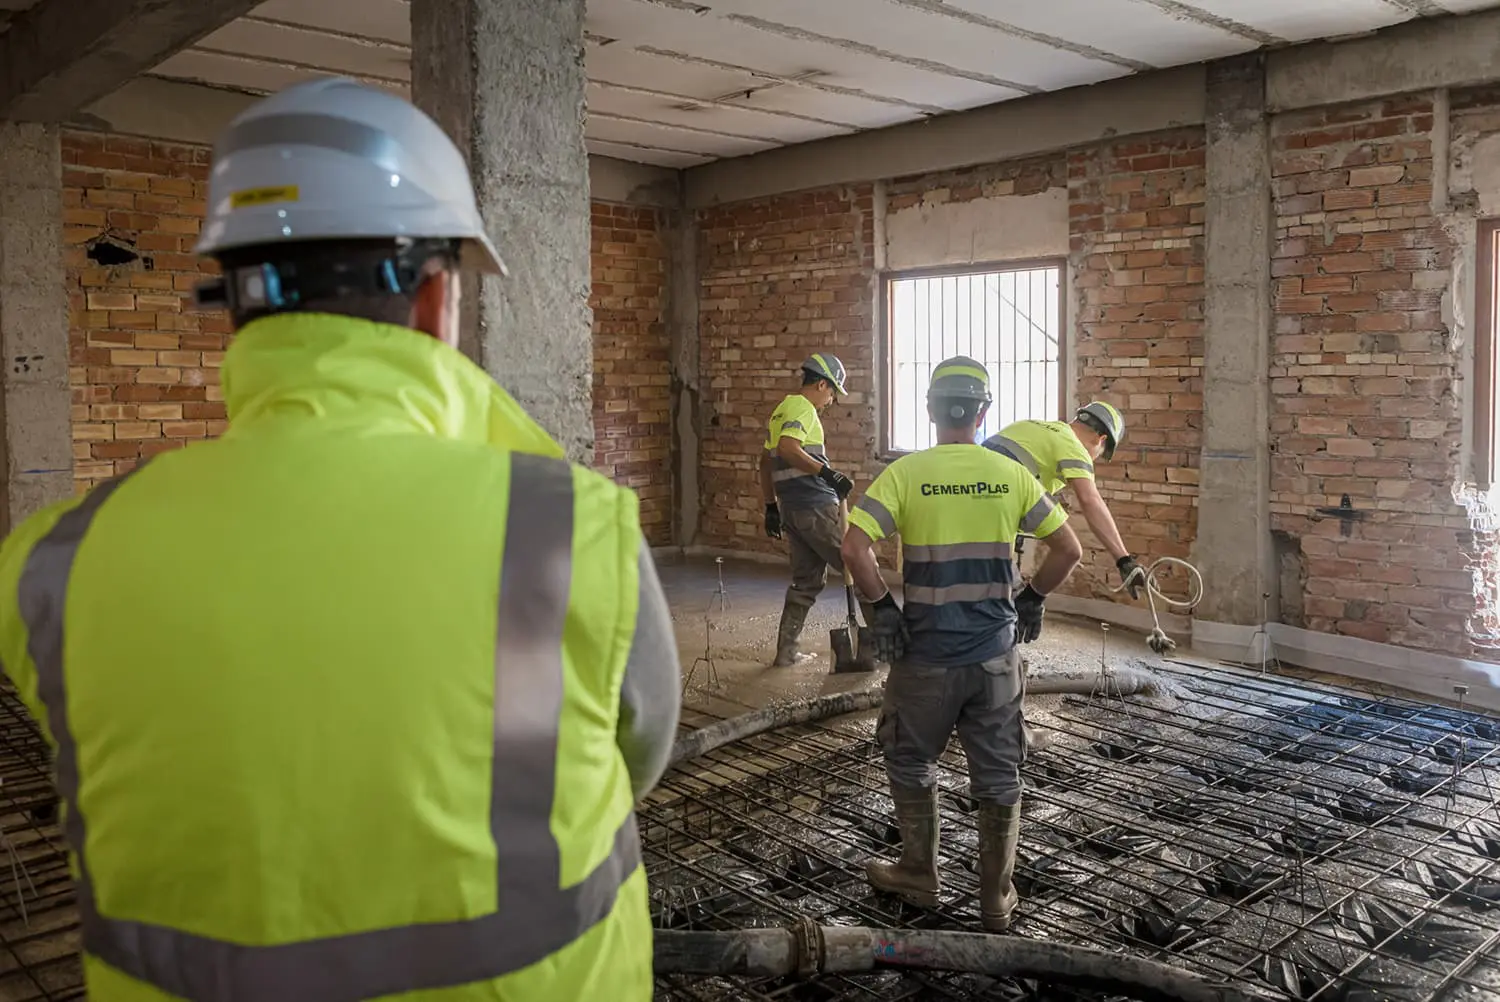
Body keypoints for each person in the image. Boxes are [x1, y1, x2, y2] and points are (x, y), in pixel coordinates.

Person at [0, 77, 679, 1001]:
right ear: (439, 299)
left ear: (236, 308)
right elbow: (637, 751)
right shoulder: (568, 527)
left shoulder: (58, 560)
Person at [841, 356, 1082, 932]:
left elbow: (854, 549)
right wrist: (1033, 597)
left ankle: (919, 874)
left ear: (929, 410)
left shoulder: (906, 474)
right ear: (983, 413)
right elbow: (1068, 549)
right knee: (1000, 774)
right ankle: (996, 899)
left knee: (910, 757)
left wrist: (881, 609)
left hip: (925, 657)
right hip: (995, 658)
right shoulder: (1013, 475)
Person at [759, 353, 871, 666]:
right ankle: (888, 644)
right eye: (833, 391)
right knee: (861, 568)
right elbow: (787, 449)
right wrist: (827, 473)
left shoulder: (781, 411)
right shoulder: (803, 408)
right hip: (816, 507)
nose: (832, 399)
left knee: (806, 582)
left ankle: (787, 651)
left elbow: (765, 462)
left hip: (793, 510)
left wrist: (771, 506)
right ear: (821, 383)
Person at [982, 403, 1147, 599]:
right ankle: (1028, 607)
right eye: (1099, 454)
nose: (1093, 459)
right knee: (1067, 552)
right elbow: (1090, 500)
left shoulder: (1029, 425)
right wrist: (1124, 560)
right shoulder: (1075, 447)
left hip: (963, 495)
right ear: (1100, 439)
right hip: (994, 510)